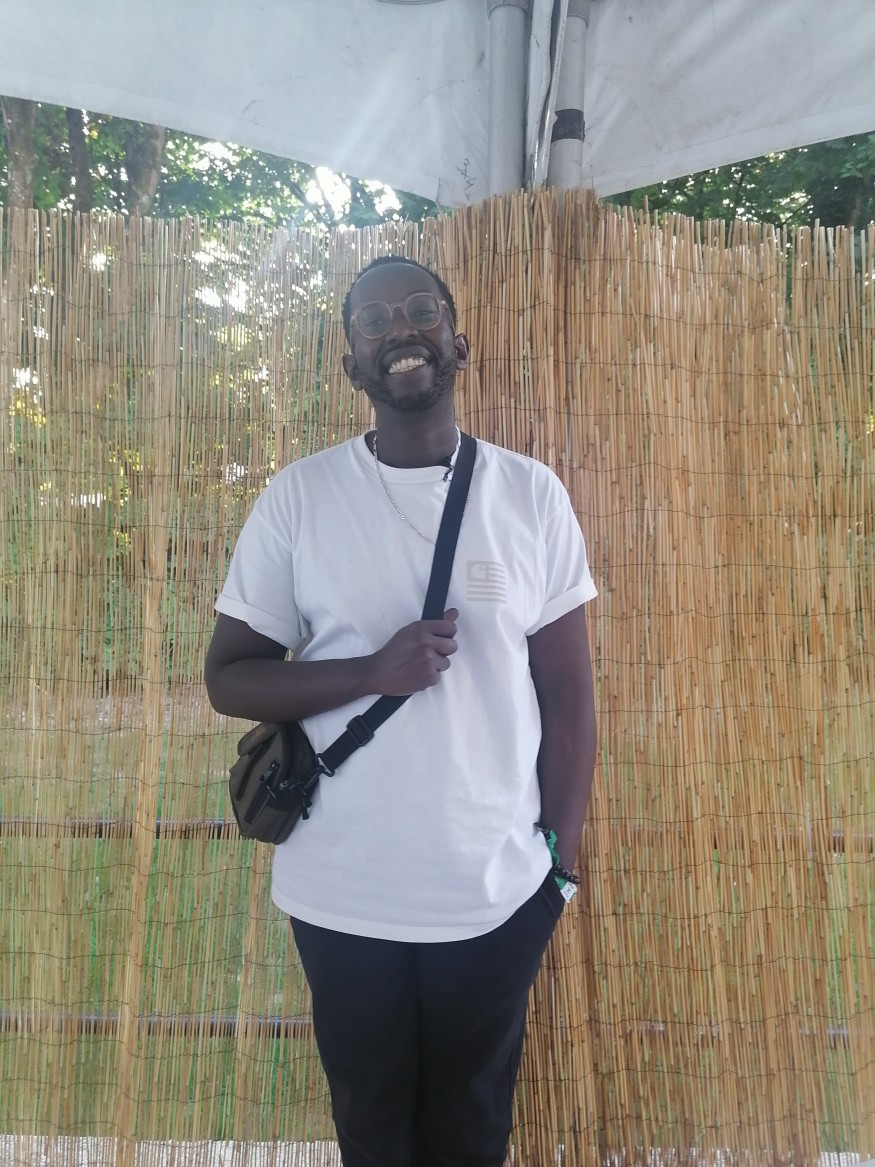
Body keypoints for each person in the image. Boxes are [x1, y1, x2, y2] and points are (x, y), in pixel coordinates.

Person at [204, 255, 598, 1167]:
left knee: (471, 1129)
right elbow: (230, 677)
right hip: (342, 891)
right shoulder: (299, 497)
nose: (401, 330)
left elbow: (569, 698)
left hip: (494, 894)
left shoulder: (529, 494)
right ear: (352, 365)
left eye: (421, 310)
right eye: (373, 322)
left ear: (459, 343)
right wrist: (372, 670)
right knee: (372, 1126)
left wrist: (558, 870)